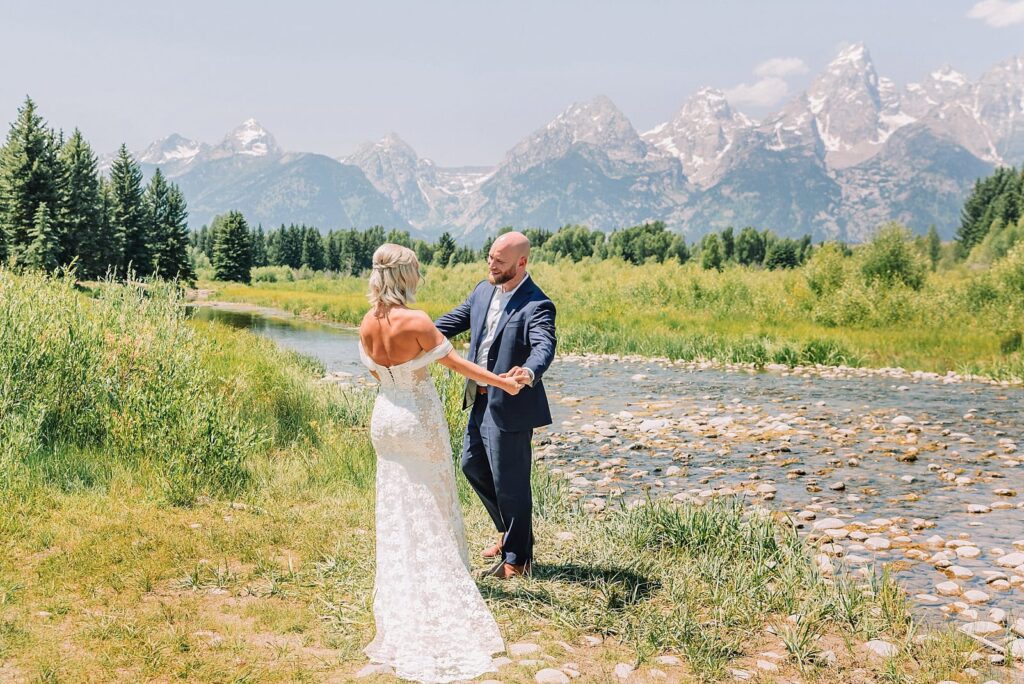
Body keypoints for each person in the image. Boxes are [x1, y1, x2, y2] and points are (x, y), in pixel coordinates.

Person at [357, 243, 523, 683]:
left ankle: (403, 583)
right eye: (415, 271)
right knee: (433, 497)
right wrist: (502, 382)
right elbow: (455, 364)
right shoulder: (416, 320)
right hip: (418, 419)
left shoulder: (367, 323)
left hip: (385, 418)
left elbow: (376, 373)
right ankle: (442, 580)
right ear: (405, 276)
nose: (419, 277)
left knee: (396, 501)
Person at [435, 231, 557, 579]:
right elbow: (447, 324)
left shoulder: (537, 304)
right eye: (490, 257)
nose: (492, 264)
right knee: (471, 465)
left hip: (511, 405)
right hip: (479, 399)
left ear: (521, 262)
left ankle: (518, 561)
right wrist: (408, 332)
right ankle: (509, 534)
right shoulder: (482, 290)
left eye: (500, 261)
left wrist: (529, 372)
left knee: (511, 483)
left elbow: (543, 347)